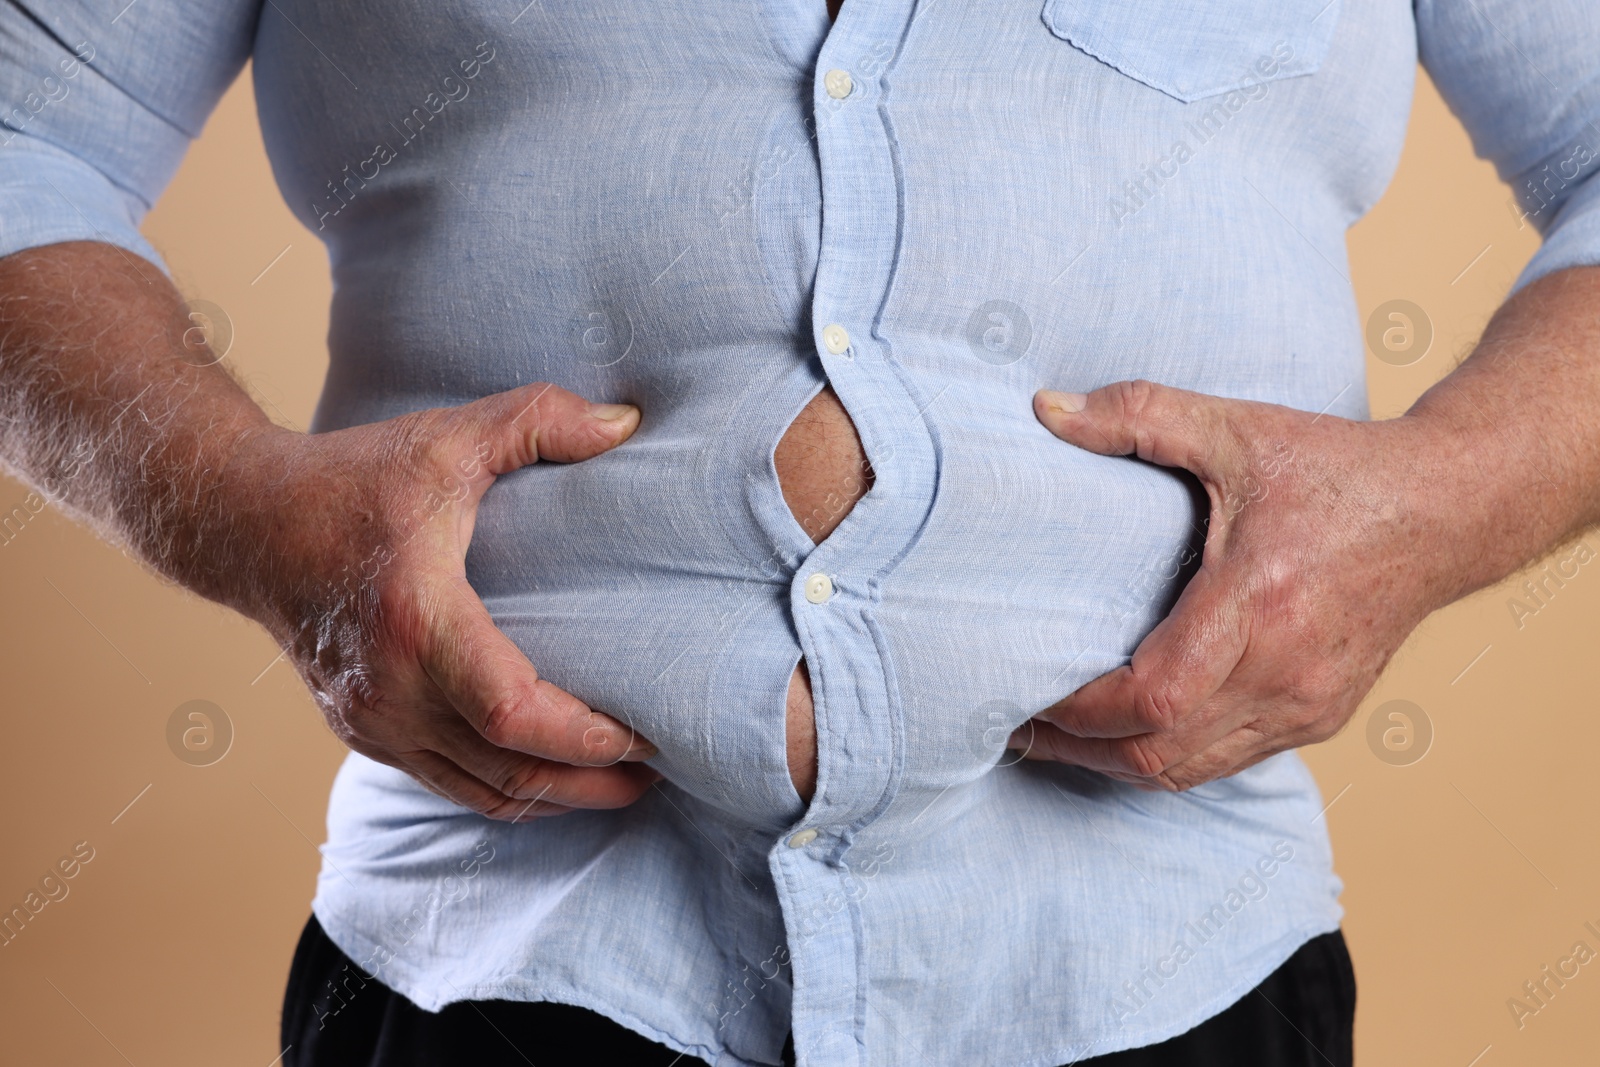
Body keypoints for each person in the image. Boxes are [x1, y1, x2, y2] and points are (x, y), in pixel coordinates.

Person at [2, 0, 1597, 1064]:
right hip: (495, 972)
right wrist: (252, 518)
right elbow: (24, 142)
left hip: (1177, 973)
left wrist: (1439, 502)